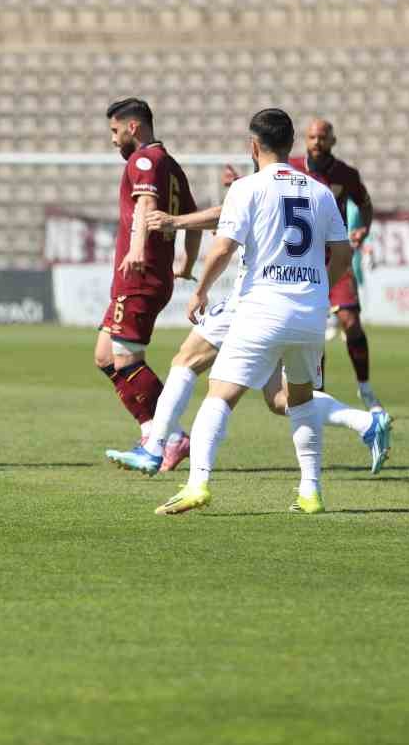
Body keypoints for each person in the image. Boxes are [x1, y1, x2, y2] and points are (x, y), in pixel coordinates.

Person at [105, 187, 391, 477]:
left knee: (186, 360)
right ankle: (367, 423)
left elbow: (223, 228)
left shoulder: (255, 185)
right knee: (281, 399)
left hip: (251, 298)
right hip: (289, 301)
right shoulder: (305, 187)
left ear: (256, 147)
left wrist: (177, 226)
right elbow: (340, 252)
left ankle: (156, 448)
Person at [156, 108, 354, 516]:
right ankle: (311, 491)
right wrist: (319, 284)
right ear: (292, 144)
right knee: (300, 399)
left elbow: (224, 247)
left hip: (262, 308)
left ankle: (198, 484)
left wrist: (201, 292)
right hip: (310, 313)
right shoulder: (318, 191)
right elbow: (344, 251)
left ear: (253, 146)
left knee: (219, 396)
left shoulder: (246, 188)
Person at [223, 117, 379, 410]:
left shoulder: (345, 174)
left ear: (332, 141)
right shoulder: (290, 166)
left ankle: (365, 389)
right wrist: (237, 184)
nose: (317, 143)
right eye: (312, 137)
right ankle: (316, 396)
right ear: (304, 141)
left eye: (322, 137)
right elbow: (261, 183)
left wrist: (363, 229)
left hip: (334, 259)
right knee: (312, 328)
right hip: (302, 262)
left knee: (351, 322)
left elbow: (366, 204)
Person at [93, 98, 198, 457]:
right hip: (150, 274)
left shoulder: (144, 159)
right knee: (105, 355)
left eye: (114, 130)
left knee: (125, 359)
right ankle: (152, 429)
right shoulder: (170, 164)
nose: (112, 139)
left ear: (132, 127)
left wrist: (137, 249)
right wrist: (186, 262)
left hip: (139, 274)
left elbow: (145, 206)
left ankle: (169, 436)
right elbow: (194, 218)